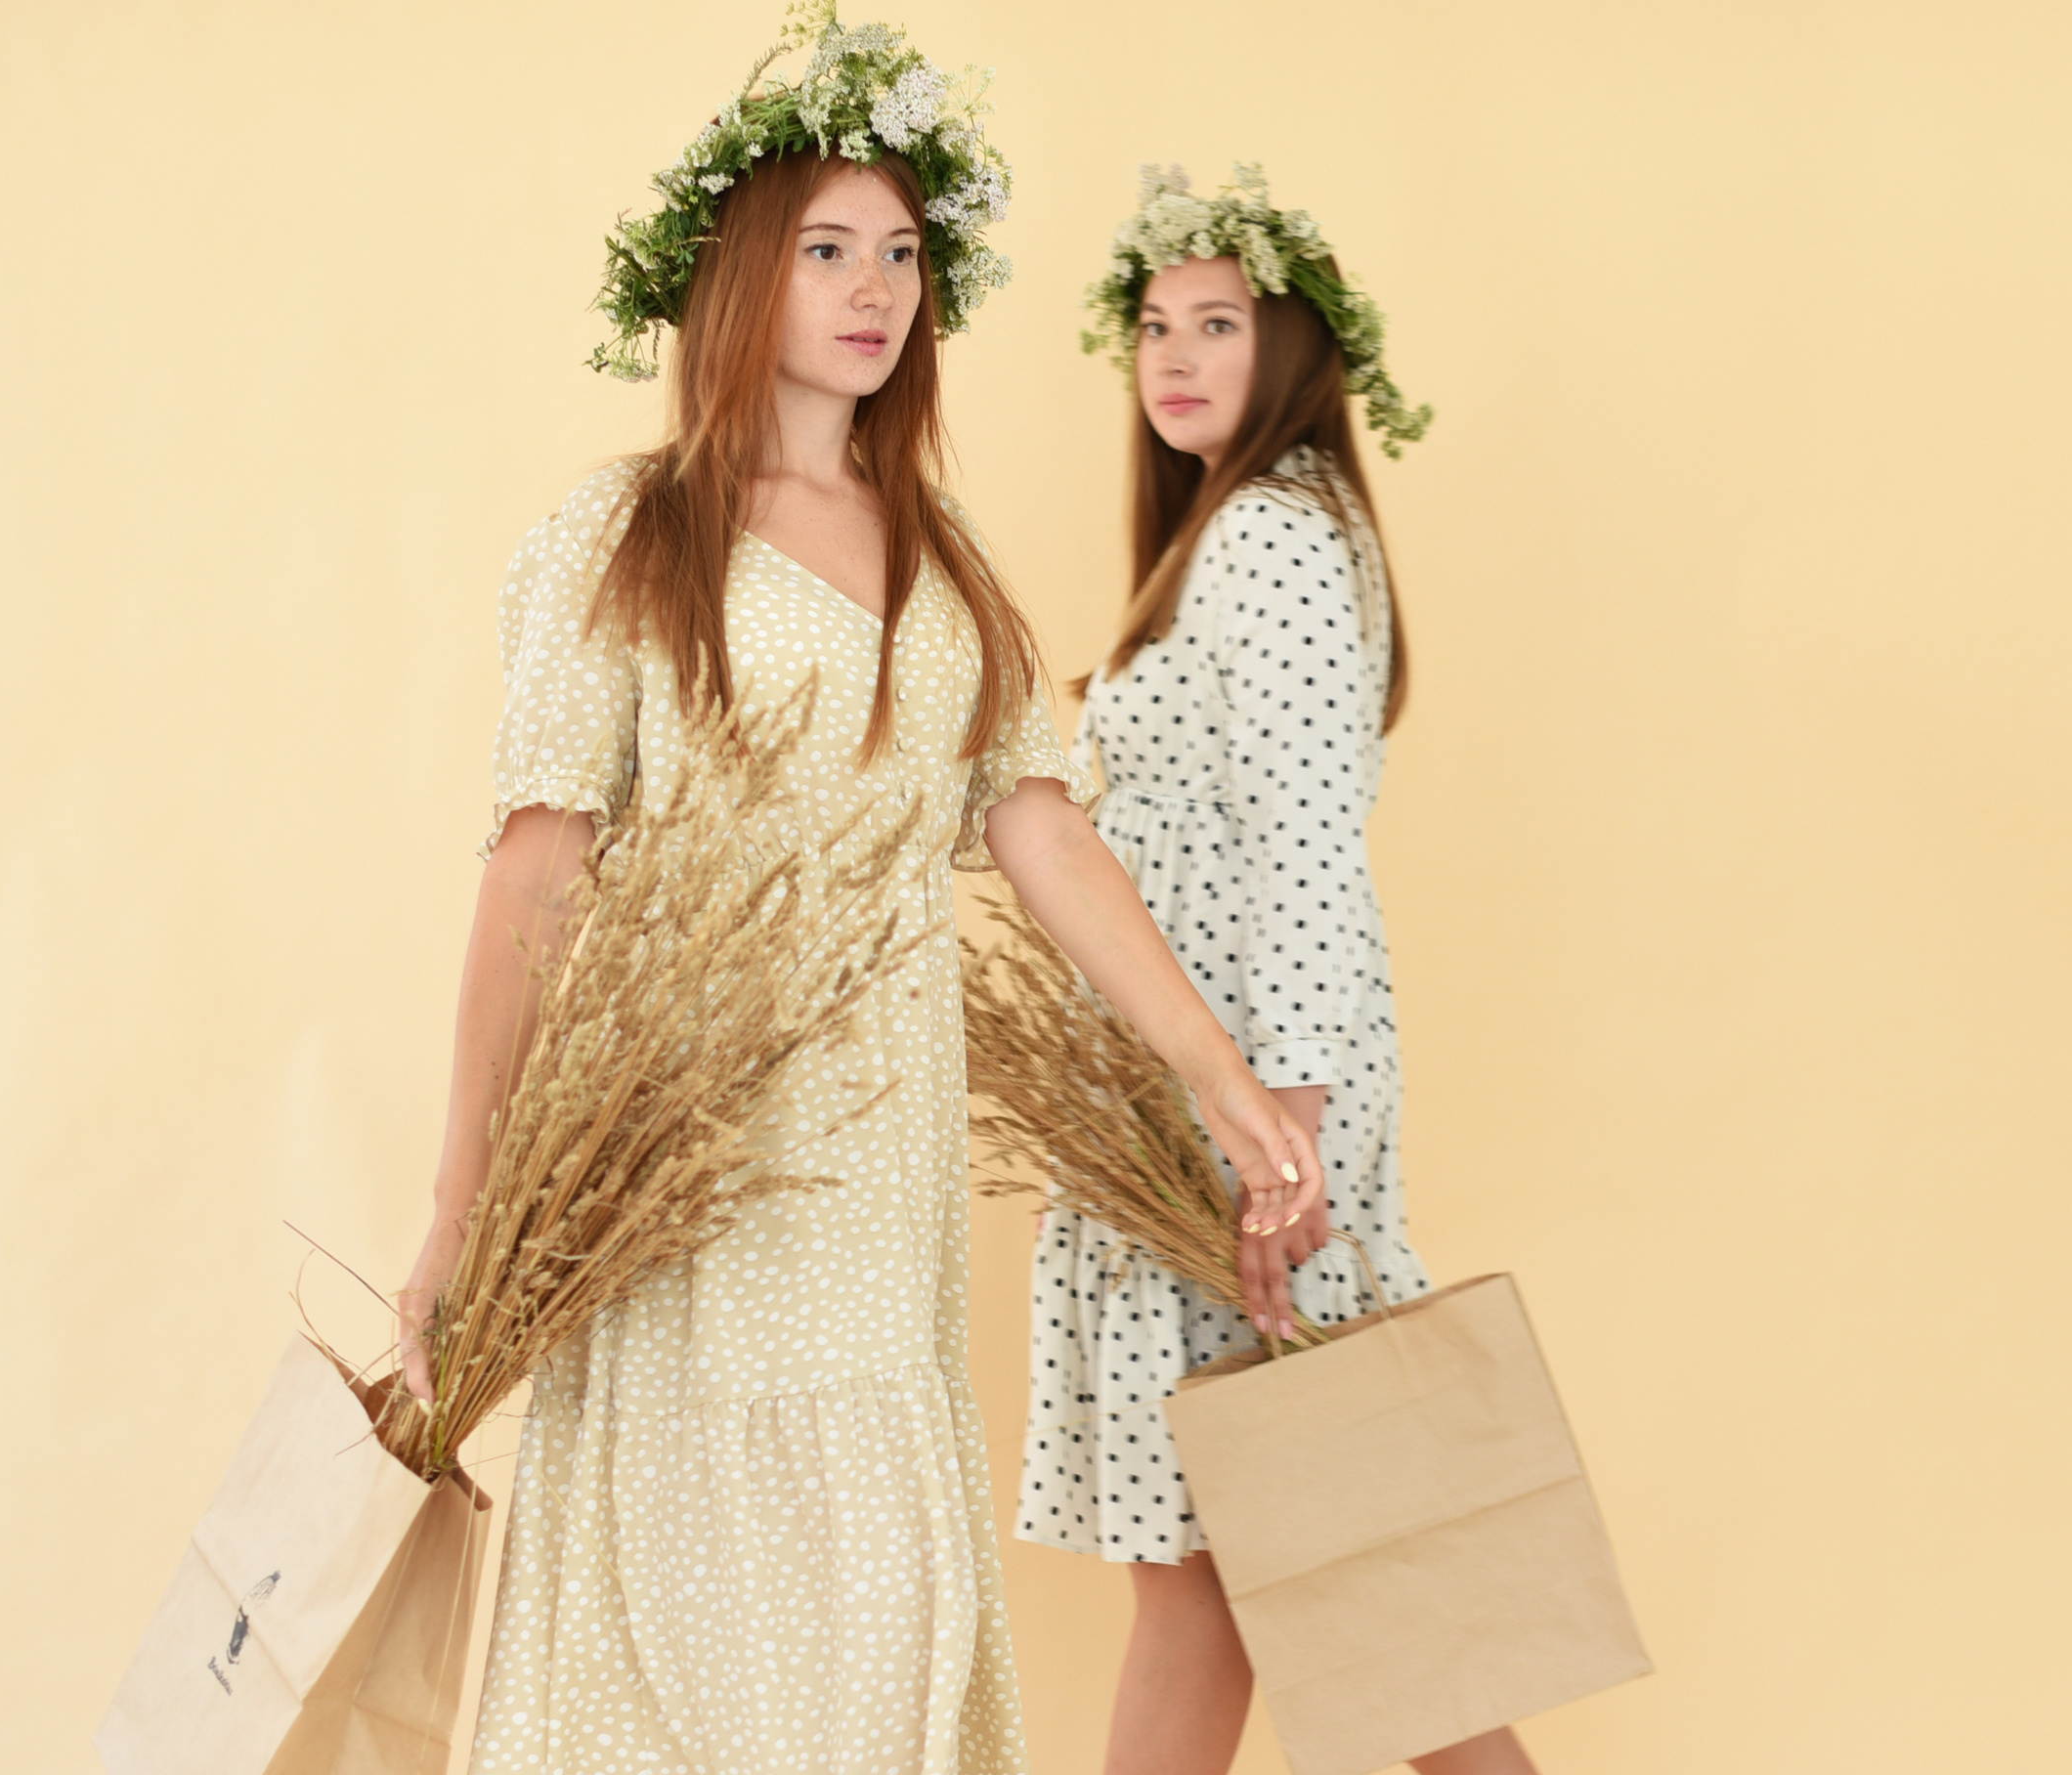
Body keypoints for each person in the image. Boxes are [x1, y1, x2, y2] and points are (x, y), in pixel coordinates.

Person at [390, 27, 1323, 1771]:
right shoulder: (627, 536)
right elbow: (533, 877)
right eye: (829, 249)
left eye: (902, 254)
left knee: (871, 1600)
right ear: (743, 272)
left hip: (877, 1177)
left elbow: (1040, 830)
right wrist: (460, 1208)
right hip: (687, 1161)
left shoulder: (940, 552)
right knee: (686, 1605)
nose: (875, 289)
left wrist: (1218, 1072)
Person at [1016, 166, 1536, 1775]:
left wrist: (1282, 1130)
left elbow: (1311, 847)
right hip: (1214, 1092)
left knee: (1308, 1549)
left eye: (1217, 325)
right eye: (1154, 328)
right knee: (1237, 1561)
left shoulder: (1272, 540)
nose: (1173, 357)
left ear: (1291, 343)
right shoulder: (1241, 536)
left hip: (1247, 1099)